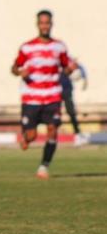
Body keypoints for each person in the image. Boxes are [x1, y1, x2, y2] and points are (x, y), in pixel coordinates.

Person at [11, 10, 76, 178]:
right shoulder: (27, 47)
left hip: (53, 95)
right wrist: (20, 73)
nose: (45, 26)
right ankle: (26, 137)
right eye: (42, 23)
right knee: (31, 137)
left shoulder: (59, 47)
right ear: (38, 24)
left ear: (51, 24)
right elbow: (14, 68)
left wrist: (71, 68)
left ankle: (44, 166)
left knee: (53, 129)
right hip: (31, 97)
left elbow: (66, 69)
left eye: (47, 23)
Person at [59, 60, 87, 138]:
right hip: (57, 91)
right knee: (54, 112)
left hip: (67, 91)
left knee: (71, 112)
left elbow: (79, 69)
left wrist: (84, 77)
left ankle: (77, 133)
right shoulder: (58, 65)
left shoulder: (69, 65)